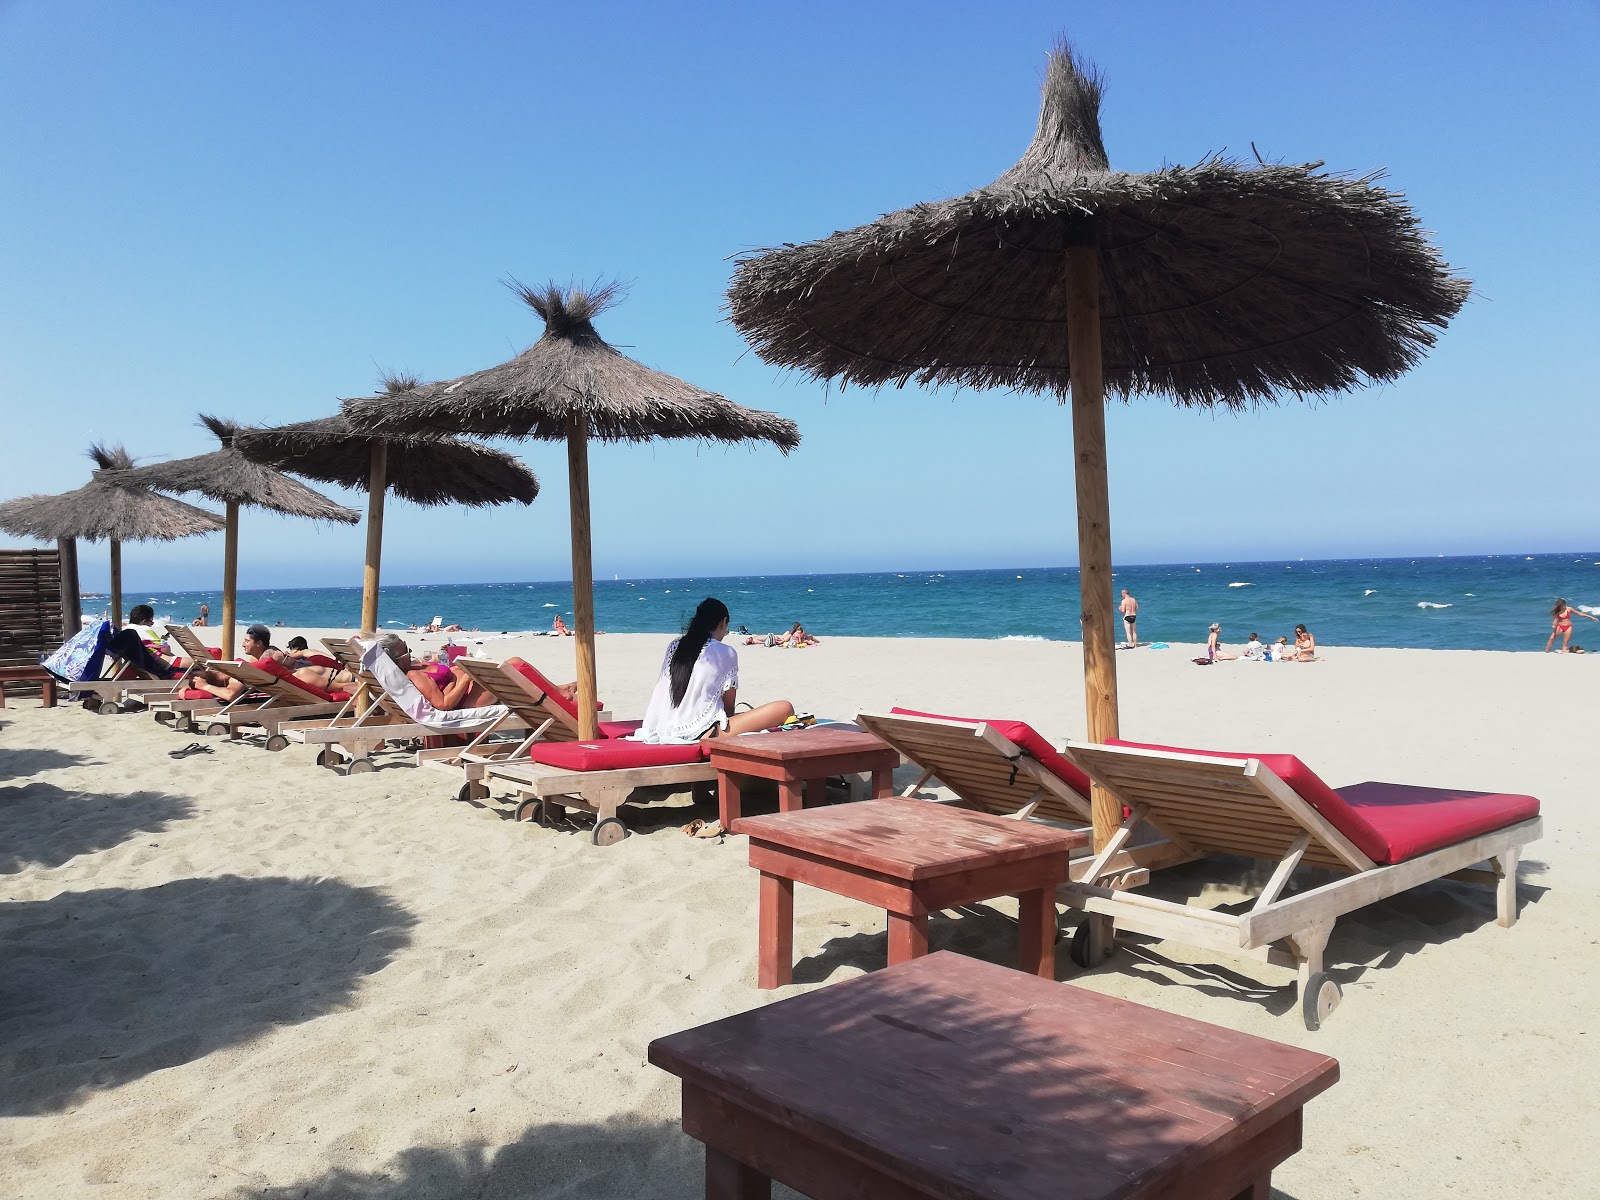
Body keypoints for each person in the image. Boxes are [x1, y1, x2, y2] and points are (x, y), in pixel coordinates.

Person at [636, 597, 793, 743]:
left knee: (747, 716)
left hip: (665, 726)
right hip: (700, 731)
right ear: (723, 623)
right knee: (784, 708)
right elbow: (729, 707)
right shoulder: (725, 651)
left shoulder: (675, 646)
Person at [372, 632, 494, 710]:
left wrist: (455, 671)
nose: (410, 652)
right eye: (406, 651)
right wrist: (464, 679)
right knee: (512, 667)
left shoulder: (412, 666)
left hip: (471, 686)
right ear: (396, 660)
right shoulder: (414, 676)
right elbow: (443, 704)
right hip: (468, 696)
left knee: (513, 661)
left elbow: (443, 681)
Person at [190, 624, 284, 700]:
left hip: (286, 693)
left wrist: (205, 686)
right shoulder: (257, 659)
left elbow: (230, 695)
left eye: (247, 641)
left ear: (259, 643)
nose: (243, 645)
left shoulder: (271, 656)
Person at [106, 605, 180, 678]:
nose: (152, 623)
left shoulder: (126, 631)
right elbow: (165, 649)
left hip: (137, 665)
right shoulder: (145, 629)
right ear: (144, 621)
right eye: (151, 621)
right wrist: (163, 641)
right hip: (156, 666)